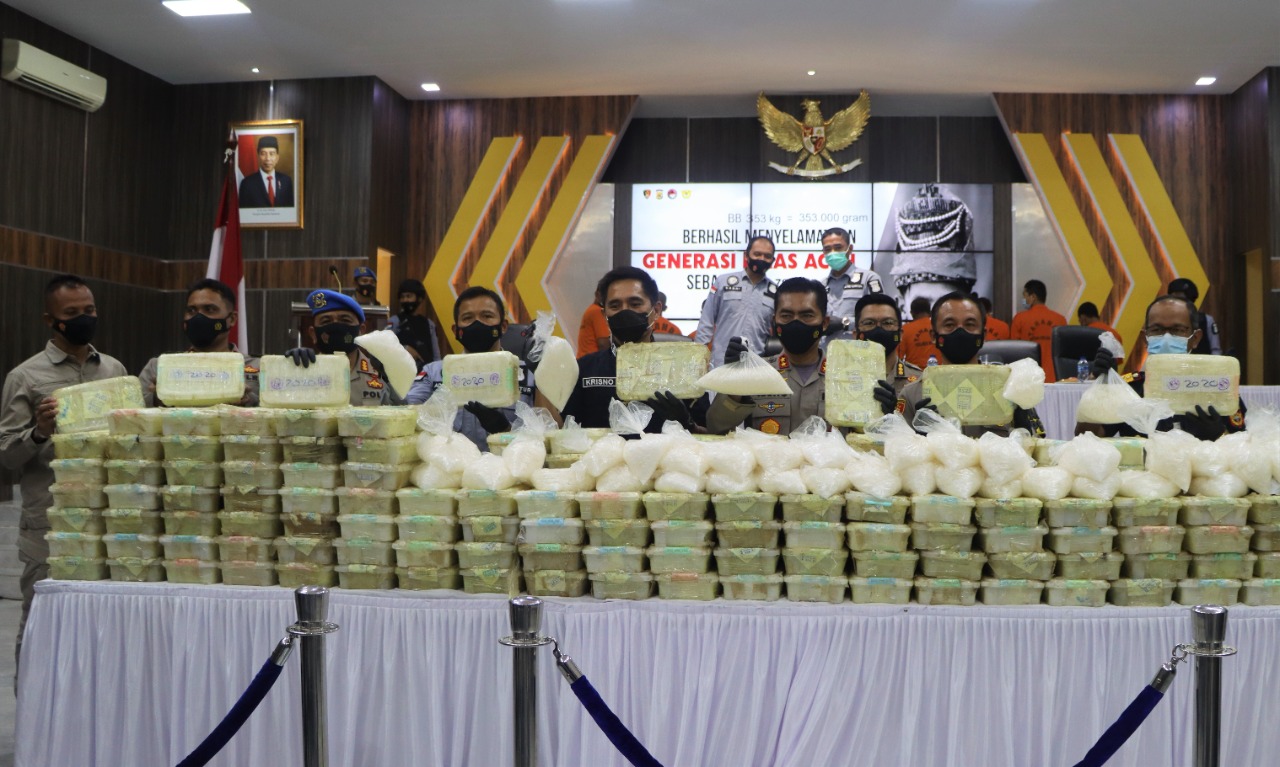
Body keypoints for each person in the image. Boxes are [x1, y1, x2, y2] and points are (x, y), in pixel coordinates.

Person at [0, 274, 127, 666]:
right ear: (50, 320)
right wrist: (39, 431)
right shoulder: (25, 377)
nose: (83, 318)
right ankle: (31, 703)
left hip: (107, 519)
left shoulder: (114, 370)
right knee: (41, 622)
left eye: (89, 310)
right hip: (49, 525)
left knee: (101, 624)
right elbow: (6, 455)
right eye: (72, 313)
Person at [405, 287, 555, 450]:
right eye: (467, 318)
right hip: (450, 463)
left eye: (487, 316)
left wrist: (505, 430)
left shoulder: (528, 373)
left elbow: (551, 435)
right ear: (456, 330)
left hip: (510, 463)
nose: (477, 323)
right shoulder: (433, 373)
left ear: (503, 326)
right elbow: (405, 416)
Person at [562, 266, 706, 430]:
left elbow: (712, 436)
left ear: (656, 310)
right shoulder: (584, 370)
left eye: (635, 304)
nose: (625, 312)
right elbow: (560, 431)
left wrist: (688, 424)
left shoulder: (685, 368)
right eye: (615, 306)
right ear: (604, 315)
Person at [1088, 295, 1244, 439]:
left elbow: (1244, 446)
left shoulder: (1218, 389)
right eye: (1157, 330)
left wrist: (1217, 435)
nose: (1167, 338)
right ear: (1145, 338)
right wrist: (1102, 388)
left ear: (1195, 338)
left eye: (1177, 330)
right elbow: (1088, 436)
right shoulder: (1128, 389)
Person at [898, 292, 1045, 437]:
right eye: (949, 325)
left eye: (970, 324)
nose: (960, 331)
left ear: (983, 335)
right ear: (933, 336)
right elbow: (895, 447)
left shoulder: (1011, 390)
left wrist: (1025, 429)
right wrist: (919, 439)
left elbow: (1038, 444)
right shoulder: (912, 395)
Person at [706, 278, 830, 435]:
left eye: (807, 315)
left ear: (824, 323)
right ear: (774, 322)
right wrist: (733, 383)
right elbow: (717, 428)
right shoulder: (755, 373)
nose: (796, 323)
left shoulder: (844, 377)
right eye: (786, 315)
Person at [137, 278, 260, 407]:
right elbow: (132, 412)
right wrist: (157, 400)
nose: (198, 317)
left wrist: (247, 403)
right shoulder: (158, 367)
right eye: (191, 310)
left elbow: (272, 412)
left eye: (209, 309)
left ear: (232, 319)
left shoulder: (260, 368)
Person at [282, 289, 402, 406]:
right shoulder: (303, 370)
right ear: (313, 334)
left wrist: (393, 378)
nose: (336, 326)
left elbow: (403, 413)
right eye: (326, 321)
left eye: (345, 320)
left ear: (361, 331)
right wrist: (290, 371)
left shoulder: (379, 373)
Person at [694, 236, 778, 366]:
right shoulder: (722, 282)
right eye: (757, 254)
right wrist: (698, 359)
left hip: (756, 366)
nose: (761, 259)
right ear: (746, 255)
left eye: (767, 256)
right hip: (721, 364)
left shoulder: (776, 292)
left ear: (773, 260)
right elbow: (706, 322)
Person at [855, 293, 924, 415]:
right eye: (869, 323)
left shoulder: (919, 380)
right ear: (856, 334)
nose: (878, 329)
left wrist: (897, 414)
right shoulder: (840, 378)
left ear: (900, 334)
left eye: (887, 322)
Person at [821, 227, 884, 338]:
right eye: (827, 249)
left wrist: (844, 323)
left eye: (838, 247)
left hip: (857, 347)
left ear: (849, 249)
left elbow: (880, 317)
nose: (832, 253)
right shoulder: (821, 285)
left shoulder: (869, 279)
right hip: (826, 347)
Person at [1012, 279, 1067, 382]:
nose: (1023, 300)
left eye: (1025, 296)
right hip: (1055, 377)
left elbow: (1014, 352)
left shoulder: (1019, 319)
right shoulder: (1061, 320)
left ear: (1033, 297)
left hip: (1028, 379)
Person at [388, 278, 442, 371]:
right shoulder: (395, 321)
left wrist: (438, 372)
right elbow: (385, 345)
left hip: (426, 373)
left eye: (409, 296)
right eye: (402, 297)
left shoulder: (429, 324)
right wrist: (405, 348)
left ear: (419, 298)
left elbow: (436, 355)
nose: (405, 300)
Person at [1167, 278, 1222, 355]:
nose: (1176, 303)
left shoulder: (1206, 320)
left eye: (1180, 299)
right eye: (1173, 299)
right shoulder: (1165, 320)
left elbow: (1215, 351)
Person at [237, 135, 294, 208]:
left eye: (272, 154)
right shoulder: (247, 184)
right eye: (263, 154)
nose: (268, 158)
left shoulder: (286, 181)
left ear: (277, 158)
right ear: (258, 156)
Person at [897, 296, 938, 369]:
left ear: (912, 313)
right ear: (930, 312)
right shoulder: (938, 327)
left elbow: (898, 357)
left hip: (914, 373)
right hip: (938, 371)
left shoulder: (905, 330)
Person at [576, 281, 611, 358]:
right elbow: (603, 344)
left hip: (585, 361)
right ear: (597, 294)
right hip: (593, 361)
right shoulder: (597, 311)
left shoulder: (591, 310)